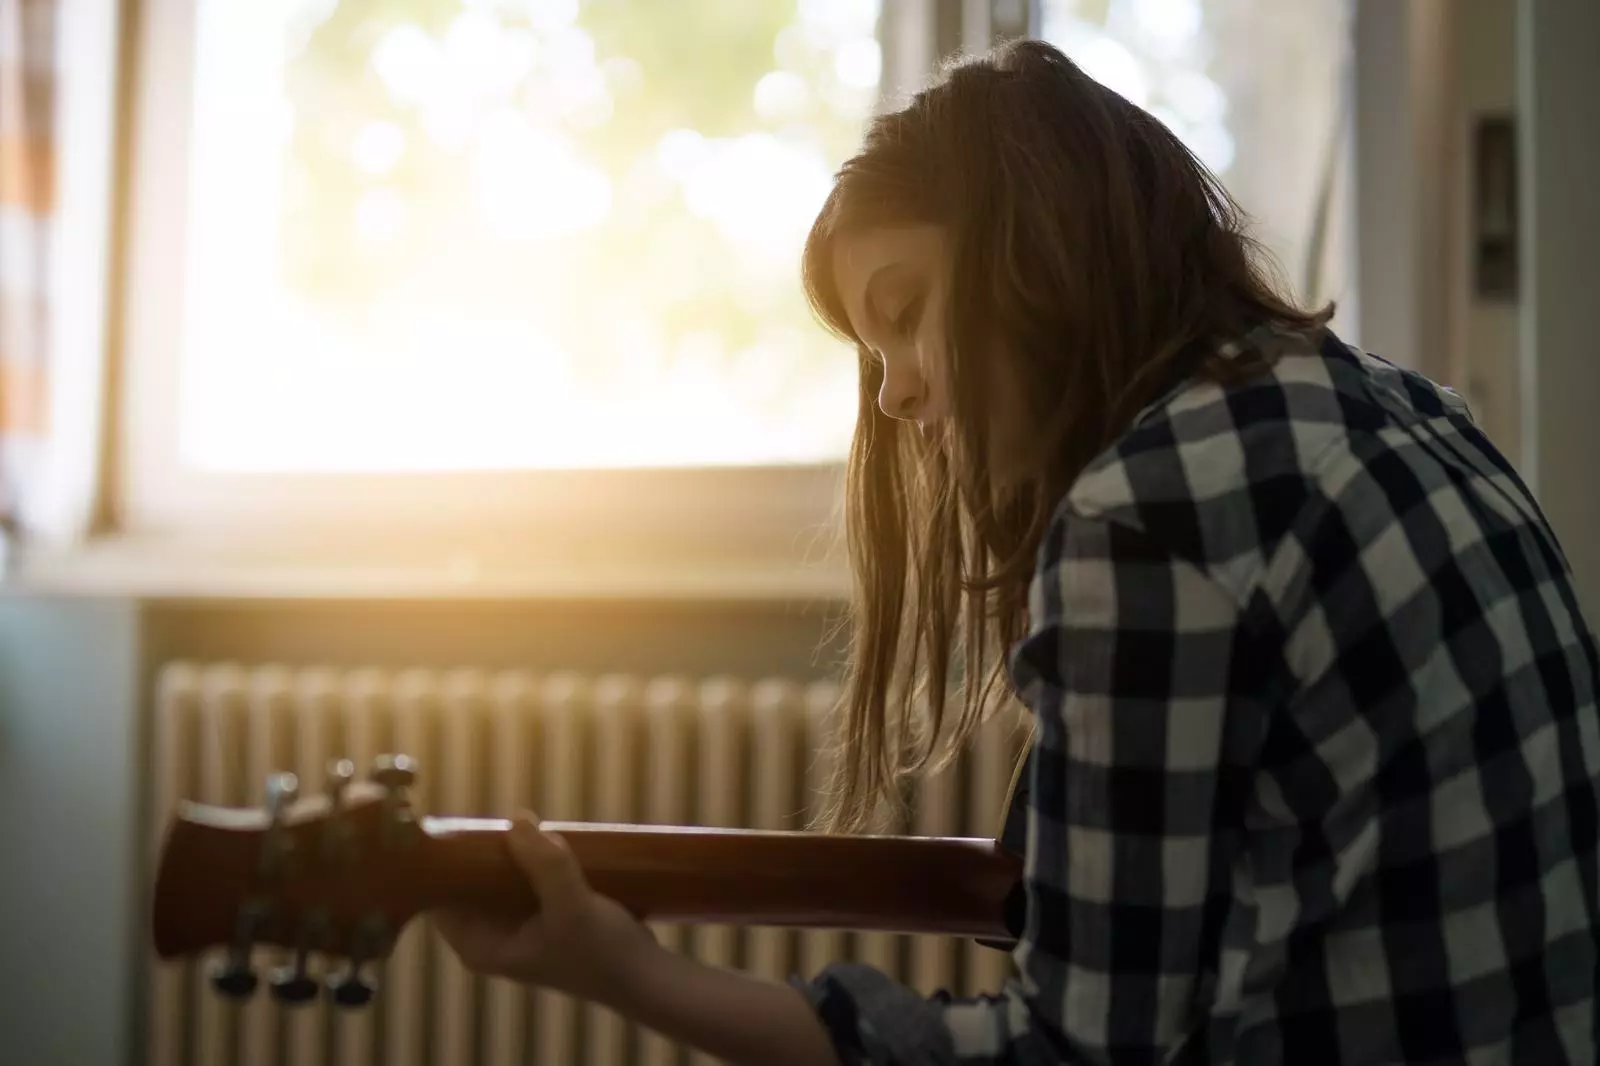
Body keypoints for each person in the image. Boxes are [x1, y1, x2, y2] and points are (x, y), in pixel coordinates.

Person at [434, 38, 1599, 1064]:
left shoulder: (1150, 511)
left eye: (902, 309)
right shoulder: (1395, 405)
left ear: (1037, 248)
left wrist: (628, 974)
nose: (890, 396)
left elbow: (1071, 1051)